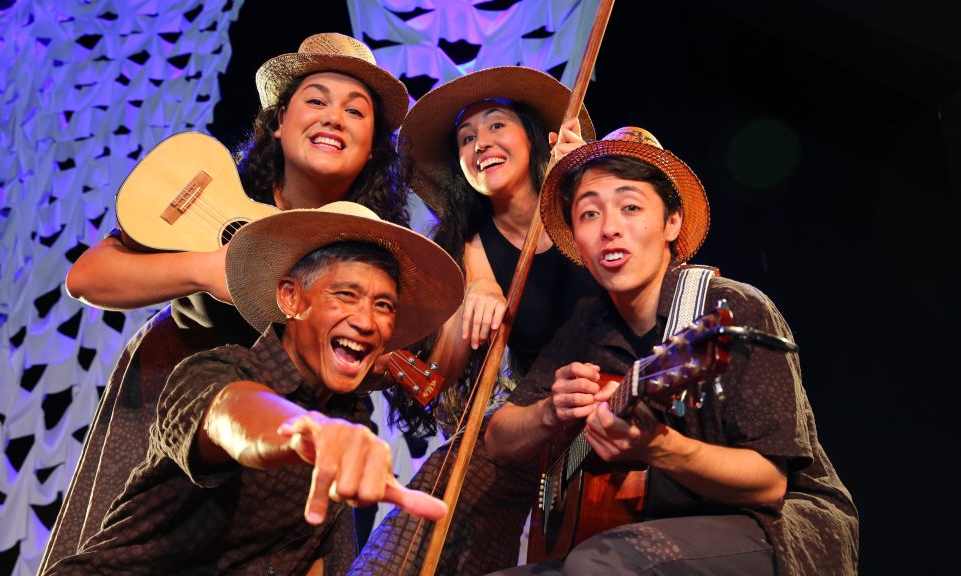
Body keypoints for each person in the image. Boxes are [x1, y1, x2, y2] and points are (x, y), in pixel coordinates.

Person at [41, 32, 411, 571]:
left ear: (373, 144)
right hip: (178, 408)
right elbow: (88, 276)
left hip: (295, 443)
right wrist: (208, 269)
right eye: (316, 100)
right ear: (279, 123)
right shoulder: (212, 197)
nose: (334, 117)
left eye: (355, 111)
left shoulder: (374, 251)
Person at [483, 127, 860, 575]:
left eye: (630, 207)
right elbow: (498, 439)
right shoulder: (586, 326)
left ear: (672, 223)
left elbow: (768, 482)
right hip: (655, 528)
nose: (609, 229)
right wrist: (550, 412)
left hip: (777, 528)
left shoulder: (731, 309)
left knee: (599, 565)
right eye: (588, 214)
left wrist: (659, 448)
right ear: (577, 243)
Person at [43, 201, 465, 574]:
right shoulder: (216, 370)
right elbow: (234, 417)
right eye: (345, 294)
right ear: (291, 299)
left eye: (383, 305)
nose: (367, 321)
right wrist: (303, 432)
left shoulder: (349, 419)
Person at [349, 67, 599, 575]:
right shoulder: (467, 247)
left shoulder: (588, 204)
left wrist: (588, 178)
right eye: (466, 137)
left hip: (616, 391)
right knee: (445, 490)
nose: (480, 143)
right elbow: (436, 384)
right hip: (538, 418)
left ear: (535, 139)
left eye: (495, 126)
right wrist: (468, 302)